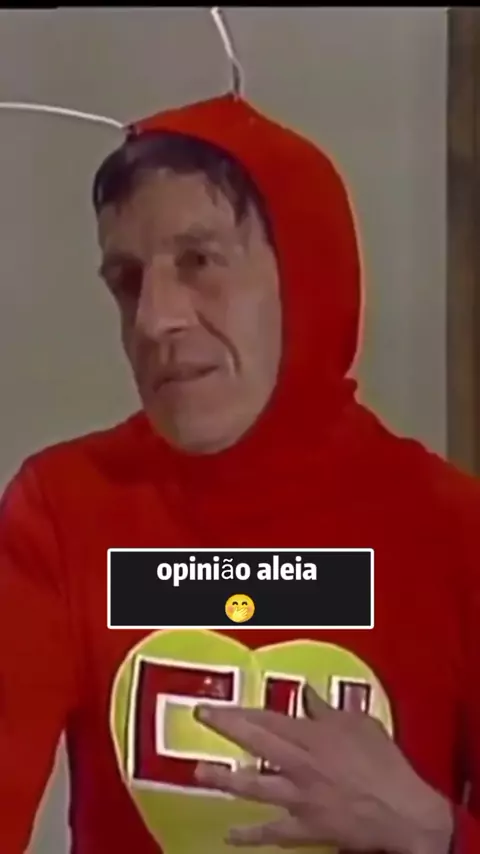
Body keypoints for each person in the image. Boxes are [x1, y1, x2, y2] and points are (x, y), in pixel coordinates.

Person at [1, 91, 479, 854]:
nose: (155, 319)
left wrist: (433, 832)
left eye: (200, 261)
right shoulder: (62, 509)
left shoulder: (454, 532)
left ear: (307, 275)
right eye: (127, 279)